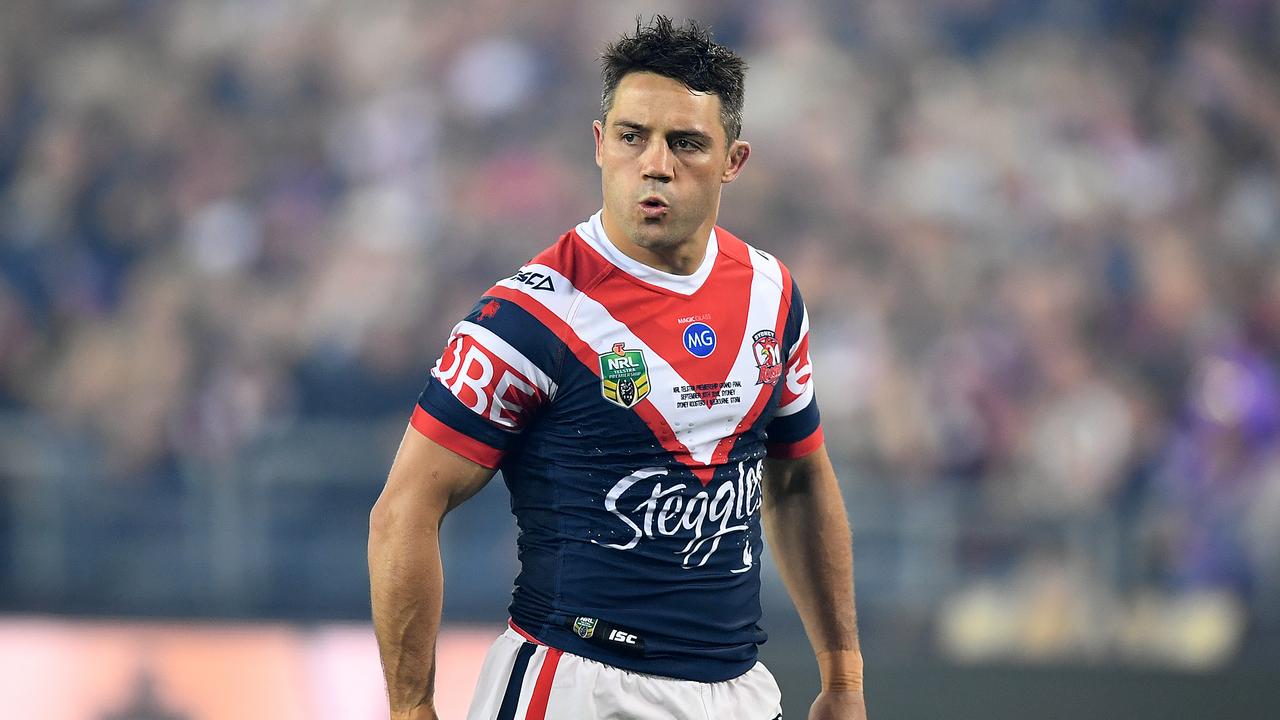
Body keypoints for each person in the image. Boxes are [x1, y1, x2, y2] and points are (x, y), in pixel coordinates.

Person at [369, 15, 867, 720]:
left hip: (739, 691)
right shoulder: (527, 317)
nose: (655, 163)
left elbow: (798, 478)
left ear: (734, 160)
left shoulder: (772, 294)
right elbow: (403, 510)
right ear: (601, 146)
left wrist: (843, 676)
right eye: (634, 137)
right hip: (580, 686)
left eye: (686, 143)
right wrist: (411, 711)